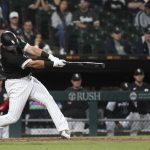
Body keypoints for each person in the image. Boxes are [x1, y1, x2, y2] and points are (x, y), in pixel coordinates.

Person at [0, 30, 70, 139]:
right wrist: (53, 64)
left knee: (48, 100)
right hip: (17, 84)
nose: (14, 48)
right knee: (12, 117)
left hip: (29, 79)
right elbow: (33, 64)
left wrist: (51, 57)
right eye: (10, 47)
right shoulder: (7, 56)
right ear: (4, 46)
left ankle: (63, 130)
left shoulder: (14, 40)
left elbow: (32, 49)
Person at [118, 68, 150, 136]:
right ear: (134, 76)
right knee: (134, 134)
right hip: (135, 114)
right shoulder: (131, 87)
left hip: (146, 115)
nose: (139, 76)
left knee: (147, 135)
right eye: (137, 75)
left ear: (143, 76)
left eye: (140, 74)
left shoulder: (147, 86)